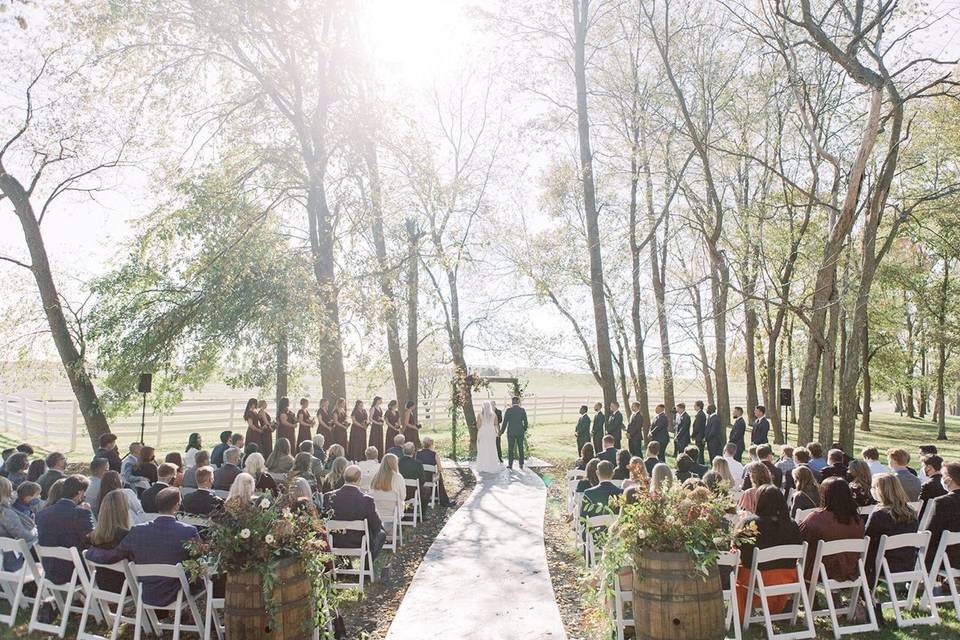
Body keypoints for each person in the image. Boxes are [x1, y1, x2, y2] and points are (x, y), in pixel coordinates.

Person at [97, 488, 200, 607]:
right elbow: (199, 560)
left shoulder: (137, 531)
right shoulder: (188, 531)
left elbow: (114, 555)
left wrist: (90, 553)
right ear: (177, 506)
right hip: (178, 592)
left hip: (147, 593)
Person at [734, 486, 804, 622]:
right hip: (787, 578)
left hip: (757, 578)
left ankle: (745, 613)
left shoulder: (750, 523)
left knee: (735, 573)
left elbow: (741, 553)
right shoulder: (792, 525)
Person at [799, 478, 865, 582]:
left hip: (820, 571)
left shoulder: (817, 519)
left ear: (824, 495)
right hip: (849, 570)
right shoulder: (858, 520)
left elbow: (800, 539)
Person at [36, 475, 95, 584]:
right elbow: (91, 539)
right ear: (80, 493)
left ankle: (81, 598)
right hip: (75, 570)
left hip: (50, 569)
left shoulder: (42, 513)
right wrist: (89, 513)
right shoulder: (80, 513)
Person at [865, 473, 919, 589]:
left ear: (882, 491)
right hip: (908, 563)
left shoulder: (879, 514)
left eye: (874, 488)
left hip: (883, 565)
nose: (872, 490)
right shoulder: (911, 512)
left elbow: (867, 540)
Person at [323, 465, 386, 561]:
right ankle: (366, 566)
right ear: (359, 480)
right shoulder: (366, 500)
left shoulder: (328, 497)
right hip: (359, 541)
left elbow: (323, 520)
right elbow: (376, 525)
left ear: (344, 478)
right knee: (381, 534)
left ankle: (345, 565)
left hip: (335, 540)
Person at [84, 489, 131, 594]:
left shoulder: (93, 537)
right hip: (125, 588)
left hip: (101, 586)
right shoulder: (128, 537)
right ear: (124, 510)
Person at [925, 461, 960, 571]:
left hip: (945, 558)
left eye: (943, 476)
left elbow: (930, 534)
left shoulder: (942, 502)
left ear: (949, 479)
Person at [0, 476, 37, 571]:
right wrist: (36, 533)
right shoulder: (5, 513)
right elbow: (23, 535)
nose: (13, 494)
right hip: (9, 561)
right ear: (5, 493)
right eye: (11, 490)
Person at [369, 454, 406, 518]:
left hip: (377, 512)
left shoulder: (375, 477)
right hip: (394, 512)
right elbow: (403, 497)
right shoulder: (398, 477)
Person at [416, 437, 451, 506]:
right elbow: (440, 469)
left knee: (435, 474)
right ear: (431, 444)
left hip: (420, 479)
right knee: (438, 476)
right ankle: (441, 497)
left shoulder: (418, 453)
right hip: (431, 479)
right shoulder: (434, 454)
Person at [502, 397, 529, 471]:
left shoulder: (509, 410)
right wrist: (524, 429)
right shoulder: (522, 410)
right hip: (520, 432)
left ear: (512, 402)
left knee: (510, 448)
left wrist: (501, 432)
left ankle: (510, 464)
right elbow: (526, 422)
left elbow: (505, 422)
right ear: (518, 402)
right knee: (521, 448)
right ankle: (521, 463)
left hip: (511, 432)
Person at [919, 454, 948, 519]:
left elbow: (920, 506)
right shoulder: (948, 483)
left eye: (923, 466)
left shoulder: (927, 485)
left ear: (929, 467)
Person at [691, 400, 707, 465]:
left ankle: (700, 464)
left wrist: (693, 435)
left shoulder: (700, 415)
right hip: (699, 435)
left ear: (698, 406)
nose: (694, 407)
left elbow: (697, 427)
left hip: (699, 436)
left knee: (700, 452)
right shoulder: (700, 414)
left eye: (695, 405)